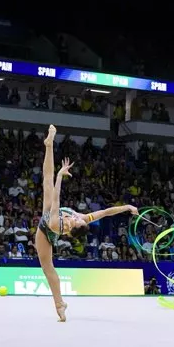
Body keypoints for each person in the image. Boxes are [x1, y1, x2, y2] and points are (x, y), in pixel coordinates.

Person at [35, 124, 137, 322]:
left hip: (45, 228)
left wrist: (59, 176)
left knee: (48, 268)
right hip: (51, 212)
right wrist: (127, 207)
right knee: (46, 181)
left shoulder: (59, 225)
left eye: (76, 220)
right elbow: (106, 212)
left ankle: (59, 305)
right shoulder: (81, 219)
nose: (77, 217)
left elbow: (56, 199)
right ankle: (49, 144)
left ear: (73, 227)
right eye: (79, 218)